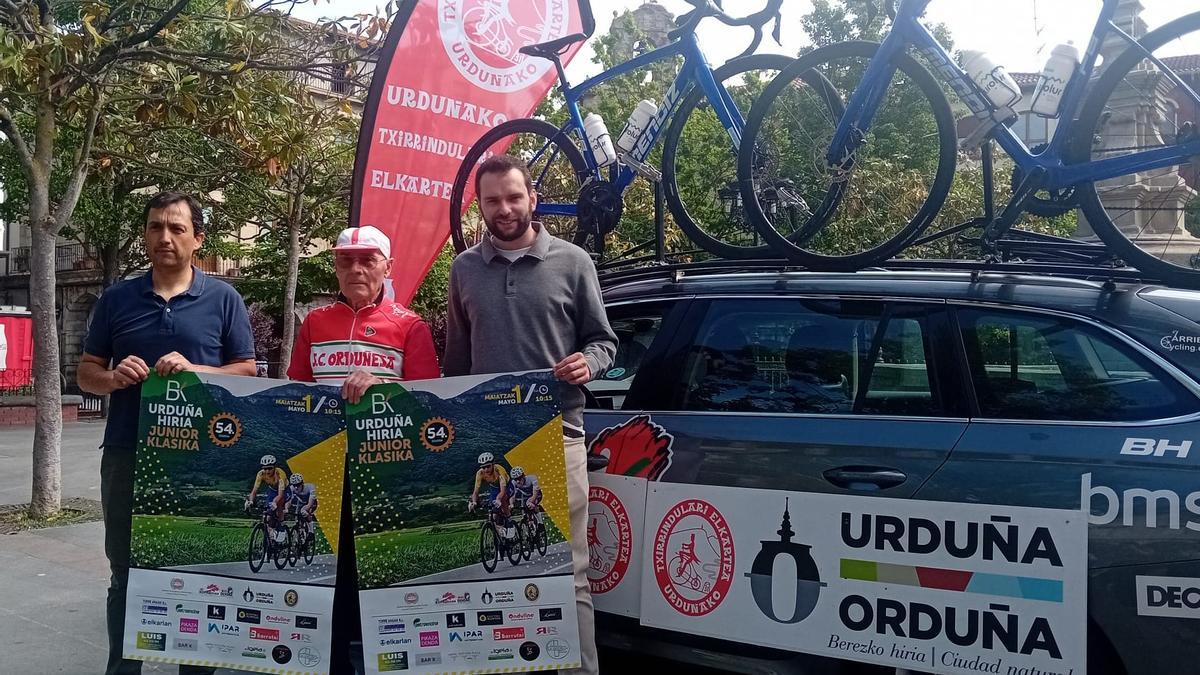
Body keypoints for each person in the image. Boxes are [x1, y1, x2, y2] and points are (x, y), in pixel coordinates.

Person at [445, 154, 617, 675]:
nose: (504, 208)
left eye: (513, 197)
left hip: (558, 433)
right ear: (480, 205)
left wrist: (588, 363)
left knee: (571, 574)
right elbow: (457, 364)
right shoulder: (464, 269)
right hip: (490, 443)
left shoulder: (574, 261)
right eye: (492, 200)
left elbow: (605, 342)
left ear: (532, 199)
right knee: (491, 573)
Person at [77, 190, 256, 675]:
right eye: (156, 226)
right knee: (126, 570)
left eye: (177, 228)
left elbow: (246, 370)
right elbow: (86, 373)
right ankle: (123, 668)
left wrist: (197, 369)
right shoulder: (117, 299)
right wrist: (112, 378)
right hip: (127, 453)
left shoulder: (223, 299)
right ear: (144, 235)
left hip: (201, 458)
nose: (165, 237)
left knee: (198, 569)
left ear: (198, 239)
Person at [287, 223, 440, 671]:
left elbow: (429, 403)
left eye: (367, 260)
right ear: (335, 268)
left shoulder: (410, 325)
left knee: (379, 579)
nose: (355, 268)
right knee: (328, 579)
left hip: (385, 476)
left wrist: (382, 389)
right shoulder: (314, 322)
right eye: (345, 260)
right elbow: (296, 395)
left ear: (387, 267)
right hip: (326, 474)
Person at [245, 454, 289, 535]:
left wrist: (275, 502)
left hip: (284, 490)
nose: (267, 471)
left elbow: (280, 495)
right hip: (272, 490)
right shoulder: (261, 474)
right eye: (265, 468)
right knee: (268, 516)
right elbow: (254, 491)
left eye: (270, 468)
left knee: (279, 504)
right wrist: (251, 501)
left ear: (274, 467)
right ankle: (271, 535)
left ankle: (281, 527)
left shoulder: (280, 474)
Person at [468, 452, 511, 523]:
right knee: (494, 516)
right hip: (494, 487)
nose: (486, 469)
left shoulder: (499, 470)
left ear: (493, 464)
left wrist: (498, 499)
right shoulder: (480, 473)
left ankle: (510, 521)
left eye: (488, 466)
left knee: (502, 499)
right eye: (483, 467)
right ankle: (499, 527)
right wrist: (474, 502)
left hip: (507, 485)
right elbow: (476, 491)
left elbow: (502, 491)